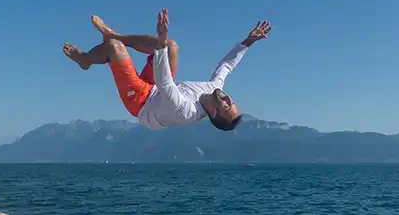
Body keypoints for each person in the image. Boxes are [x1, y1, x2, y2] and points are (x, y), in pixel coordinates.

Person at [63, 9, 271, 131]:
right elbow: (226, 65)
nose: (228, 99)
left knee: (115, 49)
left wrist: (159, 43)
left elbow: (165, 84)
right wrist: (249, 41)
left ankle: (85, 60)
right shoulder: (213, 88)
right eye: (231, 102)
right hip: (156, 88)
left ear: (214, 112)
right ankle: (113, 34)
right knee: (172, 46)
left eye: (227, 106)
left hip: (142, 103)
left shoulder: (186, 111)